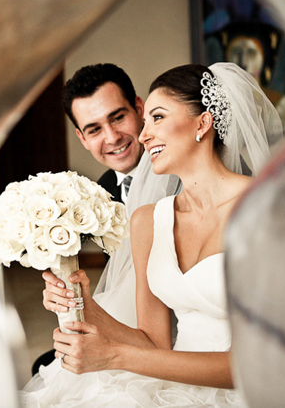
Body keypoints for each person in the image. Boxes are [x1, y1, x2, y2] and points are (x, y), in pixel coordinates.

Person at [21, 62, 283, 407]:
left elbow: (252, 366)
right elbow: (154, 344)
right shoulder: (147, 220)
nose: (142, 136)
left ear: (202, 123)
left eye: (157, 118)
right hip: (175, 383)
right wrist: (84, 301)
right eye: (145, 124)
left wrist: (113, 357)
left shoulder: (266, 210)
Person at [32, 63, 182, 373]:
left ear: (139, 108)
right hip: (134, 327)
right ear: (82, 138)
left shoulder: (184, 177)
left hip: (181, 337)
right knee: (47, 368)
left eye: (118, 117)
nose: (112, 137)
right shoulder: (99, 193)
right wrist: (68, 297)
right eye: (95, 129)